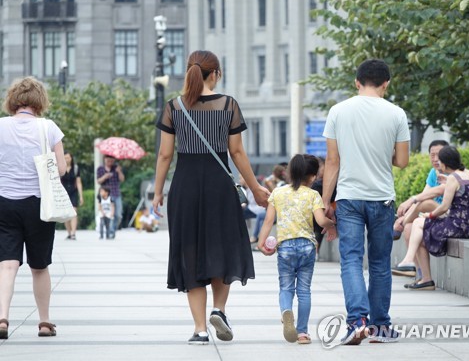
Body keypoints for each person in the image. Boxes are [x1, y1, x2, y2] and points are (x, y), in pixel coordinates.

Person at [152, 50, 270, 345]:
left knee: (189, 253)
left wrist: (157, 191)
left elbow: (165, 154)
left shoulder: (173, 107)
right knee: (222, 247)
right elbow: (237, 152)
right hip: (220, 187)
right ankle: (219, 309)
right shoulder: (228, 105)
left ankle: (200, 329)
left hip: (185, 187)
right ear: (215, 73)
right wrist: (255, 188)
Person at [322, 59, 410, 345]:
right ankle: (380, 326)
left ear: (356, 82)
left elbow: (332, 162)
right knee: (380, 263)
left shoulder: (338, 111)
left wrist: (325, 202)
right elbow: (402, 161)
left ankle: (357, 321)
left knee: (350, 259)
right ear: (386, 83)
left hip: (348, 199)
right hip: (382, 198)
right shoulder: (396, 113)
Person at [0, 76, 66, 339]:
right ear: (40, 101)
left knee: (7, 264)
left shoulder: (1, 126)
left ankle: (2, 318)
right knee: (39, 266)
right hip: (39, 204)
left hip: (5, 202)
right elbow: (60, 170)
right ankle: (44, 322)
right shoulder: (48, 128)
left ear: (13, 101)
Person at [257, 154, 335, 344]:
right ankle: (302, 333)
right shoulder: (313, 195)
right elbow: (320, 221)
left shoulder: (278, 193)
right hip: (307, 247)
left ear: (289, 172)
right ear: (313, 176)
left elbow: (268, 220)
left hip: (285, 248)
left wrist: (261, 241)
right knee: (304, 290)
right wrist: (332, 225)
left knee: (285, 287)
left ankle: (286, 312)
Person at [392, 146, 469, 290]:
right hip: (468, 226)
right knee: (419, 228)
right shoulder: (468, 173)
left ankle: (410, 262)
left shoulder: (452, 179)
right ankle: (420, 274)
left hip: (456, 226)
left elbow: (444, 207)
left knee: (419, 224)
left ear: (445, 163)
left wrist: (430, 215)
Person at [391, 140, 449, 280]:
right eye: (432, 155)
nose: (435, 159)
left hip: (453, 217)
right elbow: (424, 195)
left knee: (426, 204)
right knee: (410, 228)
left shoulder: (452, 172)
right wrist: (411, 208)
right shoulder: (433, 173)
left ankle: (399, 225)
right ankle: (423, 277)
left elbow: (430, 196)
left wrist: (409, 205)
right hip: (436, 215)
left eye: (439, 155)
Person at [310, 157, 336, 260]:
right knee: (318, 225)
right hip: (324, 210)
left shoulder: (318, 184)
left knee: (318, 227)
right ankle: (315, 250)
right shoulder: (317, 184)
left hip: (325, 209)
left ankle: (315, 251)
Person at [96, 155, 124, 238]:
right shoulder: (100, 169)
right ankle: (110, 231)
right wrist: (105, 176)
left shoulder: (116, 168)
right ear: (105, 159)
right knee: (105, 214)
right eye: (108, 160)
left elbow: (122, 179)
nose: (110, 162)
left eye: (112, 160)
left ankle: (113, 229)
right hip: (105, 196)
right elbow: (98, 181)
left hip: (116, 193)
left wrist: (119, 171)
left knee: (118, 215)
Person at [61, 152, 84, 240]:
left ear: (71, 158)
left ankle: (73, 233)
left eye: (68, 158)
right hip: (63, 193)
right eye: (65, 158)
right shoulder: (60, 168)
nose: (67, 159)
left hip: (73, 193)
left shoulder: (76, 168)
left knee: (74, 212)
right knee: (66, 214)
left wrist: (81, 196)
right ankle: (69, 233)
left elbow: (78, 182)